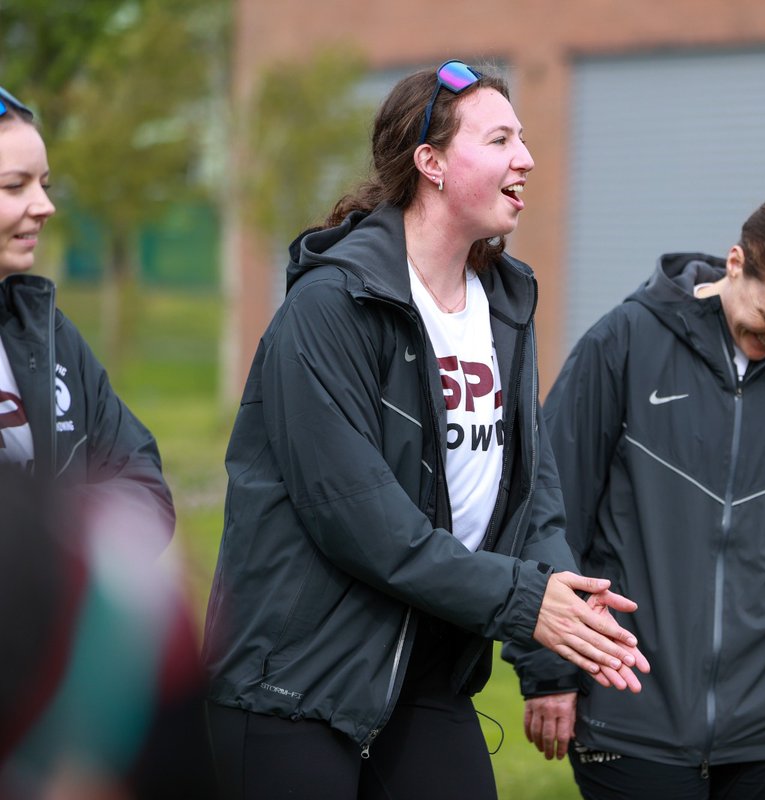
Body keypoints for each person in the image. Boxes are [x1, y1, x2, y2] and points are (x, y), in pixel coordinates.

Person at [201, 59, 648, 800]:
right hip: (292, 685)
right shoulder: (332, 306)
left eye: (523, 139)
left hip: (428, 674)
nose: (526, 159)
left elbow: (526, 494)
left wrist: (559, 619)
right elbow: (359, 518)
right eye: (500, 139)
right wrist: (520, 601)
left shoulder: (503, 304)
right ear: (431, 163)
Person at [516, 195, 765, 798]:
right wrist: (548, 674)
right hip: (632, 709)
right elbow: (546, 513)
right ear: (736, 262)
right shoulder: (625, 342)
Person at [1, 87, 200, 799]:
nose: (45, 205)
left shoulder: (48, 332)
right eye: (15, 186)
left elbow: (140, 479)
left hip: (59, 722)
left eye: (45, 184)